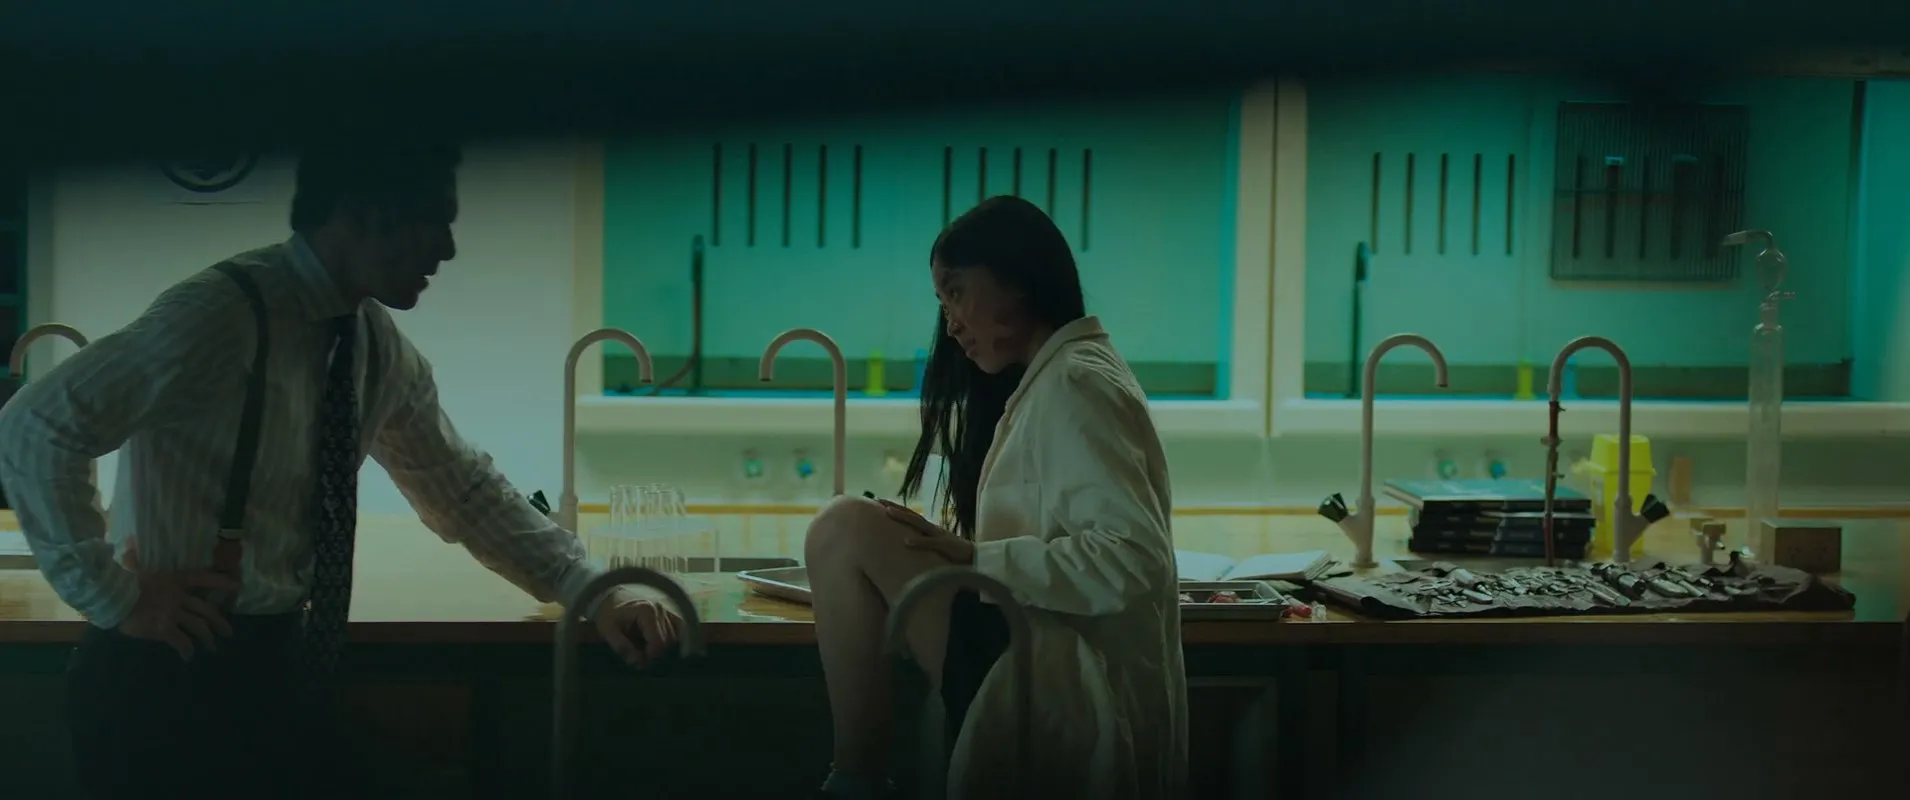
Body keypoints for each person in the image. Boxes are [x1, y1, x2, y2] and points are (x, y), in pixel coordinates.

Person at [0, 135, 682, 799]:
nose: (447, 249)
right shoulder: (219, 315)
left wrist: (595, 588)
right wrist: (114, 597)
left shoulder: (374, 347)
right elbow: (37, 426)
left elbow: (467, 492)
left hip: (276, 667)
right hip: (164, 679)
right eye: (433, 222)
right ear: (360, 214)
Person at [802, 195, 1189, 799]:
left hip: (1069, 680)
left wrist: (978, 558)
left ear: (1018, 276)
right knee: (848, 529)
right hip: (1045, 657)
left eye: (956, 292)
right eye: (942, 303)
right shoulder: (1056, 378)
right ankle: (857, 780)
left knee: (843, 527)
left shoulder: (1076, 382)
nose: (951, 324)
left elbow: (1134, 557)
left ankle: (856, 782)